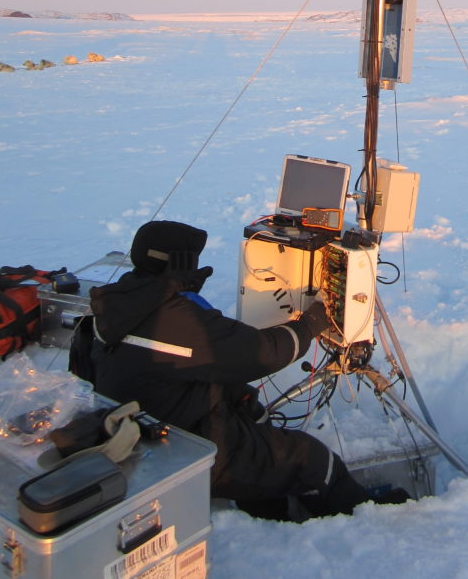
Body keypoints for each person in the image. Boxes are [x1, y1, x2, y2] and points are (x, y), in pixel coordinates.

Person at [87, 219, 383, 521]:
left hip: (149, 425)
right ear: (177, 264)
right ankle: (368, 519)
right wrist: (310, 323)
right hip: (184, 448)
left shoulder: (120, 300)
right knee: (314, 460)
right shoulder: (174, 321)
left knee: (254, 419)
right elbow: (263, 353)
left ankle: (271, 509)